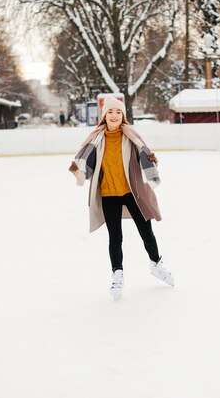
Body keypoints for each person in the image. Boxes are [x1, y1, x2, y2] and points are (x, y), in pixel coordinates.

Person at [69, 96, 173, 300]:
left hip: (132, 192)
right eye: (110, 112)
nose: (114, 116)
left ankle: (156, 264)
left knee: (147, 232)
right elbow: (84, 163)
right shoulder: (96, 140)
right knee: (115, 238)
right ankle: (117, 274)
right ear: (104, 116)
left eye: (118, 112)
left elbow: (144, 155)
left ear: (123, 115)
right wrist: (78, 169)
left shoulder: (131, 137)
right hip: (108, 195)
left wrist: (151, 162)